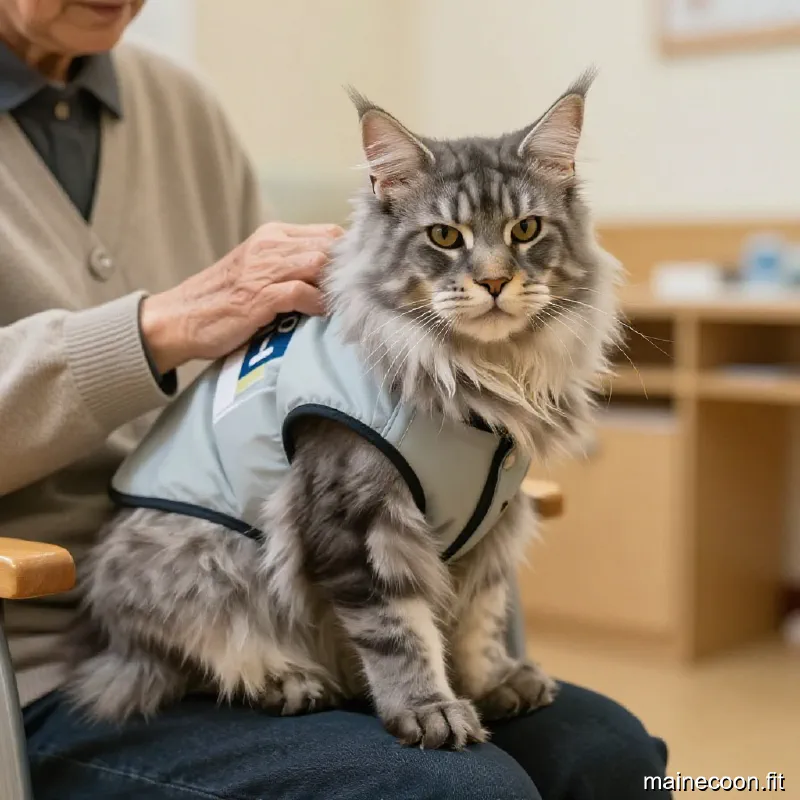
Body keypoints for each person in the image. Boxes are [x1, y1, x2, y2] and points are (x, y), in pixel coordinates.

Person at [0, 2, 671, 798]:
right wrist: (157, 327)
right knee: (462, 791)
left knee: (611, 755)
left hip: (312, 605)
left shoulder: (179, 99)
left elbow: (291, 358)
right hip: (71, 649)